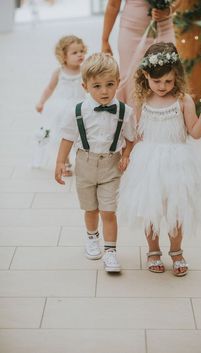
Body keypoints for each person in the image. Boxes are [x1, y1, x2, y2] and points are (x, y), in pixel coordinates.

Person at [118, 42, 201, 277]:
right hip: (148, 162)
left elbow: (195, 133)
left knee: (176, 209)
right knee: (151, 208)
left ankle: (177, 251)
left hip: (177, 162)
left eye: (168, 81)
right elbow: (136, 135)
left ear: (176, 77)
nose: (163, 86)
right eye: (157, 81)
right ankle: (152, 251)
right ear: (146, 76)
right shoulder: (142, 101)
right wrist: (127, 155)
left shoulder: (184, 101)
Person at [54, 53, 136, 272]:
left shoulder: (125, 112)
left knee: (108, 211)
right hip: (85, 163)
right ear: (85, 86)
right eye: (97, 86)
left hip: (112, 164)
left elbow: (130, 137)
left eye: (110, 84)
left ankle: (110, 251)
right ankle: (92, 237)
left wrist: (126, 154)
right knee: (91, 209)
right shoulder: (78, 111)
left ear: (118, 82)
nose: (104, 91)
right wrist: (60, 162)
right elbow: (68, 137)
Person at [101, 0, 177, 106]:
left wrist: (168, 10)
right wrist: (105, 40)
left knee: (167, 75)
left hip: (164, 28)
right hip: (132, 31)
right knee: (131, 80)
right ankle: (132, 118)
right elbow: (113, 5)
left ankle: (163, 116)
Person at [33, 35, 87, 174]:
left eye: (81, 51)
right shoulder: (59, 72)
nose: (79, 54)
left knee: (82, 134)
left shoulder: (84, 70)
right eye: (74, 52)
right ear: (63, 56)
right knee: (63, 135)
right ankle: (65, 161)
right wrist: (41, 102)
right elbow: (49, 88)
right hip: (61, 108)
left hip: (80, 107)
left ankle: (83, 161)